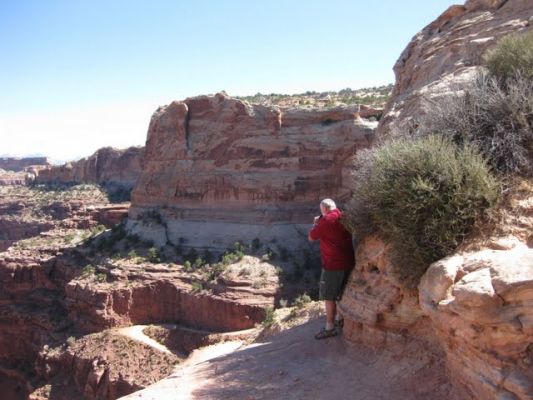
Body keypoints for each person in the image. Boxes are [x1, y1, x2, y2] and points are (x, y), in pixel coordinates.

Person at [308, 198, 354, 339]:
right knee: (341, 292)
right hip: (349, 262)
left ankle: (330, 327)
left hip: (333, 265)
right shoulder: (344, 216)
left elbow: (311, 237)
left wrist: (317, 222)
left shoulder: (325, 221)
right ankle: (340, 319)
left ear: (324, 210)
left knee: (329, 297)